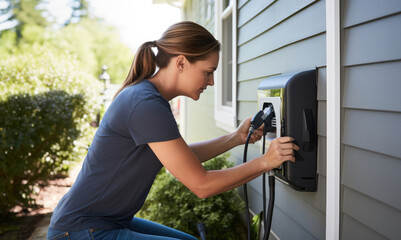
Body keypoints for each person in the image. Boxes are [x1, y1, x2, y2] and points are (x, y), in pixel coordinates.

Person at [47, 21, 298, 240]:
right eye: (208, 72)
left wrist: (236, 138)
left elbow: (180, 159)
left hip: (102, 222)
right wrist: (266, 162)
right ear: (181, 63)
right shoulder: (145, 104)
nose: (211, 82)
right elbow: (202, 185)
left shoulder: (149, 98)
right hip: (81, 230)